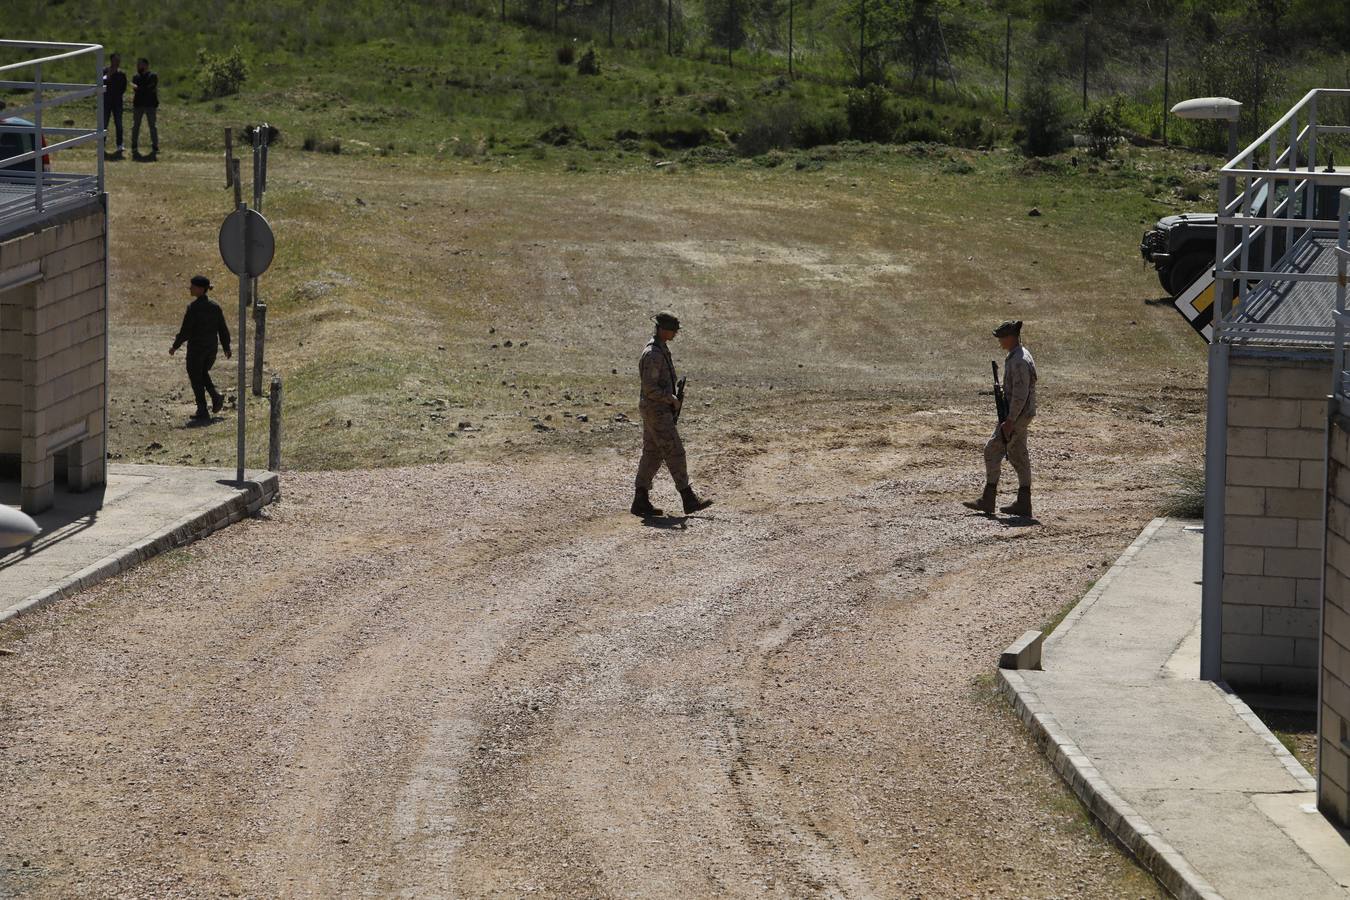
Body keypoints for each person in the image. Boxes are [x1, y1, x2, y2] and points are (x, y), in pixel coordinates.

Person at [631, 311, 714, 518]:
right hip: (656, 410)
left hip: (657, 410)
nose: (675, 334)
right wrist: (671, 399)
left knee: (652, 453)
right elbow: (650, 389)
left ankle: (640, 500)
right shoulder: (652, 354)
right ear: (661, 329)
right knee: (675, 451)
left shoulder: (660, 349)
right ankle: (688, 498)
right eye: (672, 330)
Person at [964, 319, 1037, 518]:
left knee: (992, 449)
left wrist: (1010, 420)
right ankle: (1024, 501)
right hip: (1021, 413)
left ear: (1012, 337)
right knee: (1018, 452)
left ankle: (989, 498)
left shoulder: (1019, 360)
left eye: (1002, 338)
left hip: (1017, 415)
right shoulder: (1018, 356)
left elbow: (1021, 394)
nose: (1000, 342)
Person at [170, 276, 231, 421]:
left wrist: (175, 346)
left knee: (196, 377)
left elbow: (186, 330)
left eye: (192, 286)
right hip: (211, 349)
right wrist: (226, 347)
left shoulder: (194, 308)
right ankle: (215, 397)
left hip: (197, 350)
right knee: (202, 373)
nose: (190, 288)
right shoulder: (215, 307)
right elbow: (222, 329)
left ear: (200, 289)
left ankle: (203, 409)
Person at [131, 57, 159, 156]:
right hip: (138, 105)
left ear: (146, 65)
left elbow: (150, 88)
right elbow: (136, 89)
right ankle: (134, 146)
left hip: (150, 105)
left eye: (140, 64)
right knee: (135, 126)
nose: (138, 66)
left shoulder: (153, 76)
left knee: (152, 126)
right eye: (137, 64)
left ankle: (155, 146)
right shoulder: (136, 77)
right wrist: (139, 89)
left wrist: (139, 88)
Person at [101, 54, 127, 153]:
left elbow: (123, 88)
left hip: (117, 102)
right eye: (115, 60)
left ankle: (120, 144)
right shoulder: (105, 71)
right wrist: (108, 76)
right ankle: (102, 145)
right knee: (104, 124)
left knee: (119, 124)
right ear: (111, 60)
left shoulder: (121, 74)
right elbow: (101, 83)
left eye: (118, 60)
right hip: (106, 102)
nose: (117, 62)